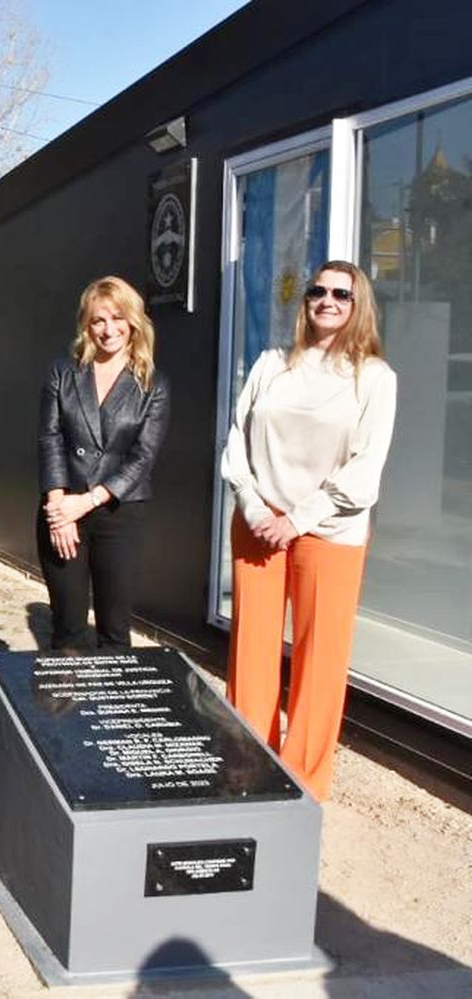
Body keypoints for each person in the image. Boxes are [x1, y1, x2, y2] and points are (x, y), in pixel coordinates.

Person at [220, 260, 397, 800]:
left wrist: (296, 520)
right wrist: (255, 508)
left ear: (358, 303)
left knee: (320, 659)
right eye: (318, 291)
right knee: (251, 650)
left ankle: (302, 783)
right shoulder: (273, 364)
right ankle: (248, 765)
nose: (327, 300)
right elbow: (236, 440)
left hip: (330, 531)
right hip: (258, 521)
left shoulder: (374, 378)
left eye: (341, 294)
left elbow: (364, 470)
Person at [37, 275, 170, 649]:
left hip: (119, 513)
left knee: (114, 631)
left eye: (117, 318)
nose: (108, 329)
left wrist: (88, 500)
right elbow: (50, 438)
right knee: (67, 630)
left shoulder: (152, 384)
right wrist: (58, 508)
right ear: (85, 324)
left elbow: (143, 456)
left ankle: (111, 709)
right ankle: (65, 707)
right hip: (63, 508)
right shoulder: (63, 372)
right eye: (98, 320)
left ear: (133, 322)